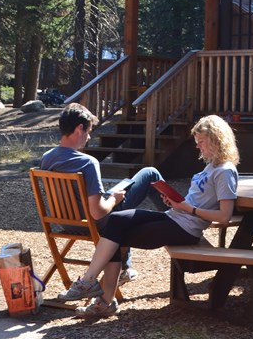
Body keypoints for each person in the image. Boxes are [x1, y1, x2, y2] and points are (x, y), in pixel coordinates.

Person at [57, 114, 239, 319]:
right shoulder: (212, 166)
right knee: (116, 221)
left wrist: (189, 208)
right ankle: (94, 287)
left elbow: (224, 216)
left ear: (216, 139)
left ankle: (99, 296)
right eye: (197, 142)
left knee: (115, 236)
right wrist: (177, 204)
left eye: (202, 142)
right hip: (175, 216)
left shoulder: (225, 171)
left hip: (186, 229)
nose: (198, 147)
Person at [40, 102, 166, 284]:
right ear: (79, 129)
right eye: (89, 131)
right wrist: (114, 199)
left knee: (118, 202)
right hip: (91, 222)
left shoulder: (47, 158)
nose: (89, 137)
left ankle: (125, 268)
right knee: (150, 174)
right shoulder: (88, 163)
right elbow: (98, 212)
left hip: (66, 221)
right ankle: (180, 218)